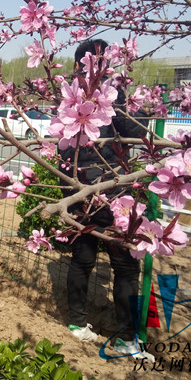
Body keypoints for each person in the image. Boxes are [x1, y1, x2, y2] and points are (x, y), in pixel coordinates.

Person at [58, 39, 154, 360]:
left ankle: (76, 322)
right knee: (125, 267)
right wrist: (130, 104)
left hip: (78, 191)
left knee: (83, 259)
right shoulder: (112, 94)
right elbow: (134, 130)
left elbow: (62, 144)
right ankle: (127, 339)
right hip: (111, 194)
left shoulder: (68, 96)